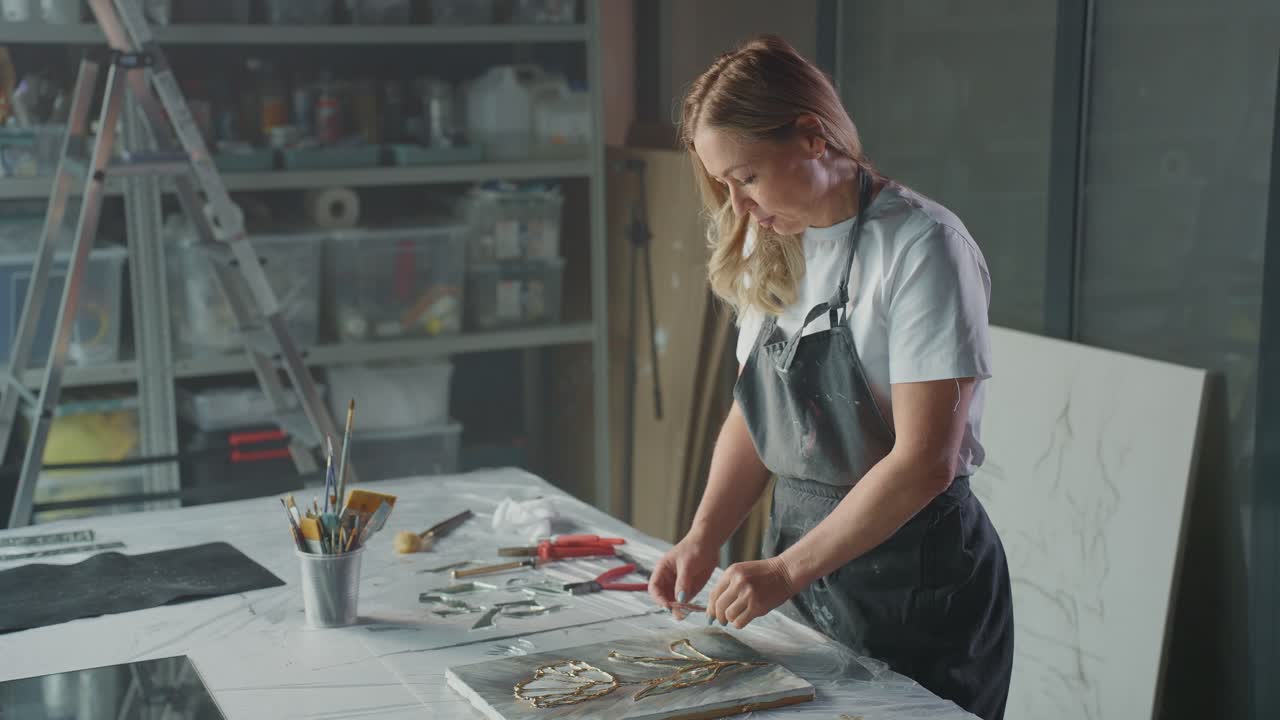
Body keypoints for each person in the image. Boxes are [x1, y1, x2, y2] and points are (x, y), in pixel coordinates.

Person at [646, 35, 1014, 719]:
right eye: (722, 183)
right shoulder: (769, 240)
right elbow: (755, 419)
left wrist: (787, 571)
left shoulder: (921, 247)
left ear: (813, 137)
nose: (738, 204)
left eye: (746, 176)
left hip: (916, 584)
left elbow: (925, 462)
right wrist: (704, 536)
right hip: (804, 568)